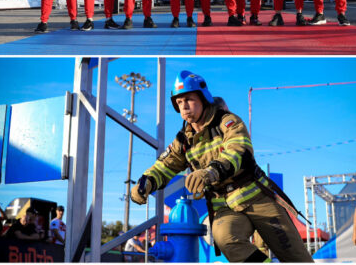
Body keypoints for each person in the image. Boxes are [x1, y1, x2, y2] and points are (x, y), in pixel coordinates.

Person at [130, 70, 313, 262]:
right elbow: (165, 165)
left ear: (203, 98)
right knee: (226, 239)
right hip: (224, 207)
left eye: (189, 100)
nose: (184, 106)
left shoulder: (227, 121)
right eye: (179, 102)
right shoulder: (183, 140)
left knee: (296, 258)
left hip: (258, 200)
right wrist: (146, 182)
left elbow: (239, 150)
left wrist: (210, 172)